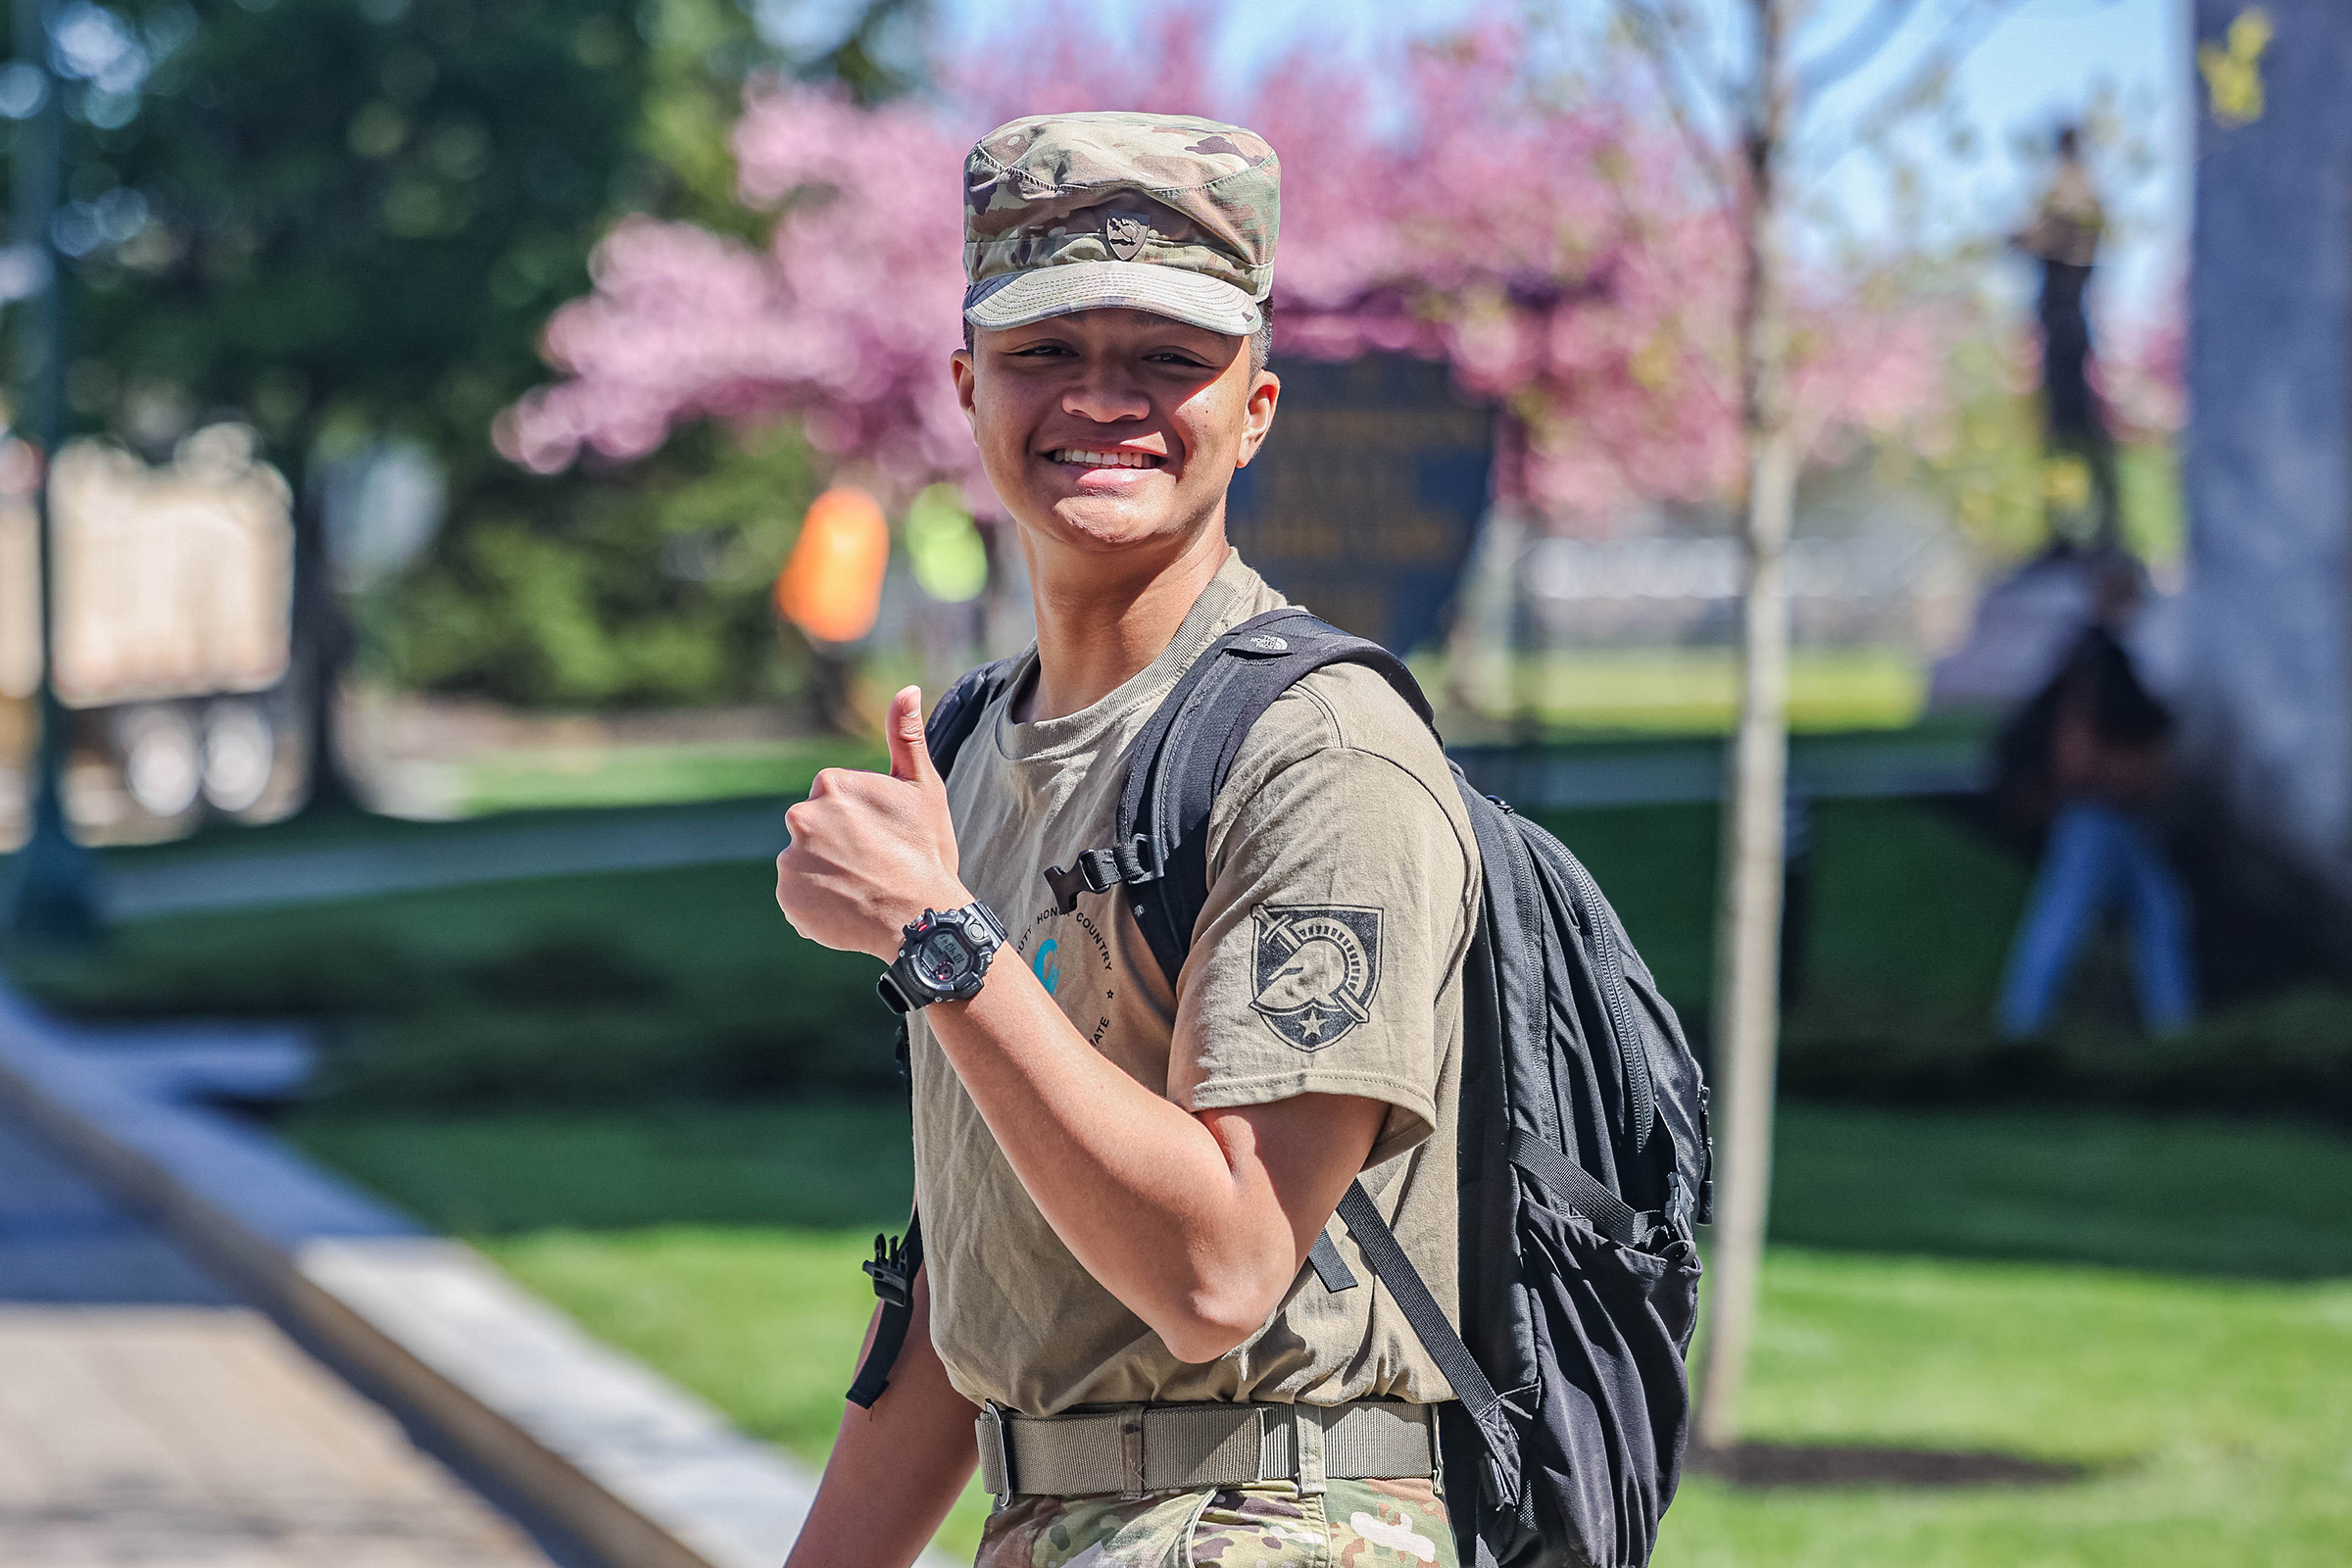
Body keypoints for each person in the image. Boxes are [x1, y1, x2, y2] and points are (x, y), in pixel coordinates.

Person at [771, 113, 1480, 1568]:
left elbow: (1221, 1270)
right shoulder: (969, 751)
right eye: (1045, 352)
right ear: (968, 392)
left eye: (1169, 358)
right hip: (1054, 1519)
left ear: (1258, 407)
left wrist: (938, 938)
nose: (1105, 402)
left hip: (1269, 1519)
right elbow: (982, 1284)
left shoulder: (1317, 751)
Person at [1994, 560, 2194, 1038]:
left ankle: (2175, 1027)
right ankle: (2020, 1026)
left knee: (2159, 911)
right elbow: (2097, 738)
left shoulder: (2101, 653)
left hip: (2114, 809)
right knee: (2066, 916)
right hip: (2099, 805)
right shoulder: (2099, 657)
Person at [2014, 123, 2119, 549]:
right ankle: (2067, 530)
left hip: (2068, 320)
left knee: (2079, 429)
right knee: (2061, 429)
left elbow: (2059, 237)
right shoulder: (2063, 186)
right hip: (2059, 320)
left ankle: (2099, 531)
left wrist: (2033, 237)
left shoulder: (2075, 186)